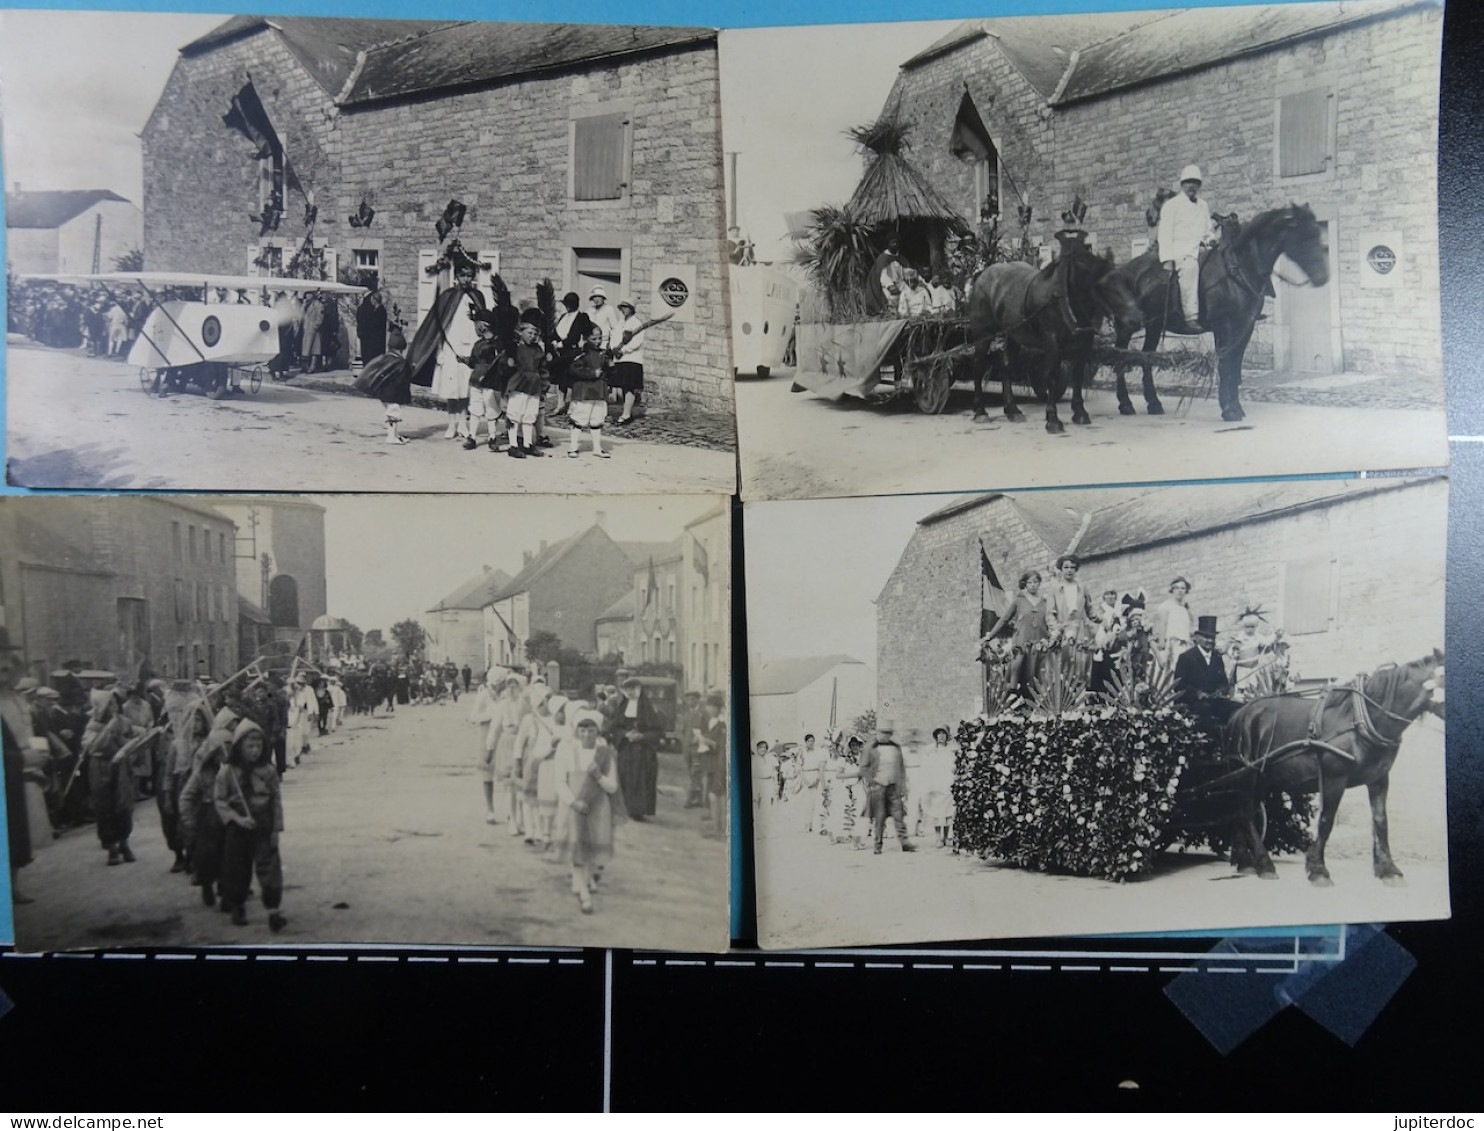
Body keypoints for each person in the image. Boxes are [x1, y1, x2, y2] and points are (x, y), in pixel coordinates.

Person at [213, 719, 286, 930]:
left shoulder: (268, 771)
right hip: (239, 827)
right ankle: (237, 905)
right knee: (237, 868)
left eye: (259, 746)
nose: (255, 751)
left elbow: (275, 801)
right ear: (239, 747)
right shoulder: (227, 772)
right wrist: (237, 819)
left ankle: (273, 910)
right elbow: (220, 801)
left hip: (263, 825)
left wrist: (276, 829)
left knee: (270, 868)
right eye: (249, 746)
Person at [554, 709, 625, 914]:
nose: (586, 734)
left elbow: (612, 787)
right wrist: (573, 802)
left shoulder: (604, 754)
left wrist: (598, 775)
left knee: (592, 848)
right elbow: (559, 782)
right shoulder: (566, 750)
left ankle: (585, 879)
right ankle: (584, 893)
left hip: (598, 807)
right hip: (575, 805)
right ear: (576, 730)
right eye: (582, 729)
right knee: (577, 848)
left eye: (591, 730)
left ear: (598, 731)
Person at [409, 255, 487, 441]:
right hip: (451, 348)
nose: (467, 279)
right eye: (463, 275)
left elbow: (484, 323)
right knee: (453, 389)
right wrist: (440, 350)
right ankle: (452, 423)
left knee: (466, 389)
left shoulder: (477, 297)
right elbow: (437, 325)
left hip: (471, 350)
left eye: (470, 275)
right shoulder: (447, 296)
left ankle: (463, 423)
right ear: (456, 276)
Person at [82, 686, 151, 867]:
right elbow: (94, 748)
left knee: (124, 805)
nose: (114, 707)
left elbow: (131, 741)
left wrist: (137, 743)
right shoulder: (92, 726)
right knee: (105, 805)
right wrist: (109, 730)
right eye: (110, 703)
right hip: (101, 768)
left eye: (115, 703)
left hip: (121, 767)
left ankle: (124, 843)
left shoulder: (124, 722)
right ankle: (111, 846)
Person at [1156, 164, 1217, 332]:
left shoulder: (1203, 205)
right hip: (1181, 251)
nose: (1192, 186)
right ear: (1182, 185)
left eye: (1195, 183)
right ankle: (1191, 317)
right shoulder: (1172, 205)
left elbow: (1208, 230)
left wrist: (1211, 240)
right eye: (1188, 182)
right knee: (1190, 268)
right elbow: (1165, 234)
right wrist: (1168, 260)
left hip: (1200, 249)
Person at [1, 631, 38, 902]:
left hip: (15, 771)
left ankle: (12, 885)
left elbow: (27, 731)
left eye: (8, 670)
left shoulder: (16, 699)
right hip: (11, 764)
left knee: (15, 828)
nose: (5, 676)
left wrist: (35, 756)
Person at [981, 569, 1051, 702]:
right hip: (1021, 643)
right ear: (1025, 584)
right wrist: (990, 636)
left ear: (1039, 583)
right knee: (1018, 671)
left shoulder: (1045, 603)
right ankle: (1013, 697)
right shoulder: (1019, 601)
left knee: (1036, 678)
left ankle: (1035, 704)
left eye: (1036, 582)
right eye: (1030, 582)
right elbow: (1004, 620)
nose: (1033, 585)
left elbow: (1051, 623)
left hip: (1039, 645)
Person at [858, 719, 914, 855]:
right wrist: (872, 781)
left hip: (894, 786)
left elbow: (901, 768)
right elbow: (863, 768)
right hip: (878, 786)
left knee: (899, 815)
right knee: (879, 816)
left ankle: (904, 843)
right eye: (883, 733)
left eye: (888, 733)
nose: (885, 736)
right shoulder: (870, 748)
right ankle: (878, 845)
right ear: (878, 732)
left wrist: (903, 787)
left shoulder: (896, 747)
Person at [1174, 615, 1232, 739]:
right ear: (1197, 638)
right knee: (1205, 709)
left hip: (1214, 700)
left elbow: (1224, 682)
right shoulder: (1186, 657)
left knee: (1232, 708)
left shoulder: (1217, 656)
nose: (1210, 641)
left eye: (1212, 637)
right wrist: (1197, 694)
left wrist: (1220, 691)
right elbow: (1179, 685)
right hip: (1191, 702)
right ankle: (1207, 748)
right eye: (1206, 637)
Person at [354, 327, 414, 444]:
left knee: (391, 412)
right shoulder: (400, 362)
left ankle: (395, 434)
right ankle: (391, 437)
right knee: (394, 414)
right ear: (401, 349)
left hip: (385, 393)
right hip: (395, 393)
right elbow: (403, 378)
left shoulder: (385, 358)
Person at [615, 678, 663, 820]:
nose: (630, 692)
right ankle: (624, 808)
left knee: (641, 780)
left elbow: (658, 731)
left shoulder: (648, 709)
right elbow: (614, 727)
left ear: (638, 690)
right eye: (627, 689)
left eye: (633, 689)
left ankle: (638, 811)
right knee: (625, 777)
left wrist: (642, 736)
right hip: (626, 750)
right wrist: (625, 734)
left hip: (643, 751)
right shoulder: (622, 708)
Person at [502, 320, 550, 459]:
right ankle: (513, 445)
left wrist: (544, 386)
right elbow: (503, 366)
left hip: (534, 384)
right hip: (519, 382)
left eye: (535, 334)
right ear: (520, 332)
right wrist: (508, 363)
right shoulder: (514, 348)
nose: (532, 336)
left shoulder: (537, 350)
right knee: (515, 413)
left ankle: (528, 444)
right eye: (529, 333)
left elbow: (543, 369)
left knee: (530, 414)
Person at [566, 324, 612, 458]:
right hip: (584, 391)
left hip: (599, 391)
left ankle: (597, 448)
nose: (598, 341)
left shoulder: (603, 354)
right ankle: (573, 447)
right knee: (580, 418)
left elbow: (608, 372)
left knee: (597, 419)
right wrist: (592, 373)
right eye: (594, 338)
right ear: (586, 338)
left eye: (599, 338)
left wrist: (611, 366)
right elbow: (574, 370)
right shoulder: (581, 353)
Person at [464, 314, 507, 452]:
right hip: (476, 379)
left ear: (483, 325)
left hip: (490, 380)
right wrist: (464, 360)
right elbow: (472, 362)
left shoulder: (497, 344)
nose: (475, 328)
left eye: (476, 325)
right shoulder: (478, 344)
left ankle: (492, 437)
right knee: (475, 408)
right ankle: (472, 437)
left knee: (491, 408)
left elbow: (500, 361)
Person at [697, 692, 728, 838]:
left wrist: (706, 741)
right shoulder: (714, 722)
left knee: (717, 795)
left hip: (718, 764)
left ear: (718, 708)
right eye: (708, 706)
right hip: (710, 763)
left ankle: (719, 829)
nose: (709, 709)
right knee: (713, 794)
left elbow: (721, 745)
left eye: (712, 706)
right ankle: (717, 827)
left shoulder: (722, 724)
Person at [611, 298, 647, 426]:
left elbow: (637, 342)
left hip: (632, 359)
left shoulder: (636, 323)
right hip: (620, 359)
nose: (624, 310)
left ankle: (626, 414)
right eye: (622, 307)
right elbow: (614, 337)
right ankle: (626, 412)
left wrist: (624, 350)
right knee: (622, 385)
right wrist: (614, 349)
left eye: (627, 307)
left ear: (632, 309)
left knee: (629, 386)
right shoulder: (620, 323)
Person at [919, 726, 955, 849]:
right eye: (939, 734)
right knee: (937, 811)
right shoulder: (930, 751)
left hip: (948, 784)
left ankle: (946, 837)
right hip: (936, 785)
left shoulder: (951, 750)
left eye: (943, 734)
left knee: (948, 811)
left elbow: (953, 765)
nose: (941, 736)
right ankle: (938, 838)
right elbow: (927, 768)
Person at [1153, 576, 1196, 669]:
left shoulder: (1185, 609)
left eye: (1182, 588)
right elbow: (1162, 624)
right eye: (1176, 588)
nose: (1179, 591)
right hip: (1171, 646)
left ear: (1186, 591)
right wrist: (1161, 642)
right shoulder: (1165, 606)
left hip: (1185, 647)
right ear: (1172, 590)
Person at [866, 235, 904, 316]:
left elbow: (906, 272)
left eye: (896, 242)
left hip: (901, 285)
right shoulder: (883, 259)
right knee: (892, 301)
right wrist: (890, 285)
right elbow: (882, 275)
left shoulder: (901, 258)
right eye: (892, 242)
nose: (894, 244)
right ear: (888, 244)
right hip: (887, 288)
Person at [355, 286, 388, 364]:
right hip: (373, 338)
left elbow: (375, 323)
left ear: (375, 300)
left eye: (372, 299)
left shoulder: (380, 310)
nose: (371, 301)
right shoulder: (375, 310)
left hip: (377, 339)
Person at [587, 286, 624, 353]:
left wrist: (611, 344)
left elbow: (615, 328)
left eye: (599, 297)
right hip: (591, 344)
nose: (597, 299)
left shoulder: (609, 309)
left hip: (604, 343)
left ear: (603, 298)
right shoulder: (589, 310)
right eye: (594, 297)